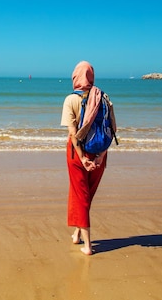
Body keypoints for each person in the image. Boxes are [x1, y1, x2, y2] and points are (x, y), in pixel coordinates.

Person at [60, 61, 116, 255]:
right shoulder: (104, 98)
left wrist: (83, 157)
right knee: (86, 195)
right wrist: (101, 155)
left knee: (80, 195)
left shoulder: (70, 100)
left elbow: (73, 132)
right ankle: (77, 235)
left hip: (77, 153)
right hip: (101, 151)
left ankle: (88, 246)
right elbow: (112, 130)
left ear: (75, 77)